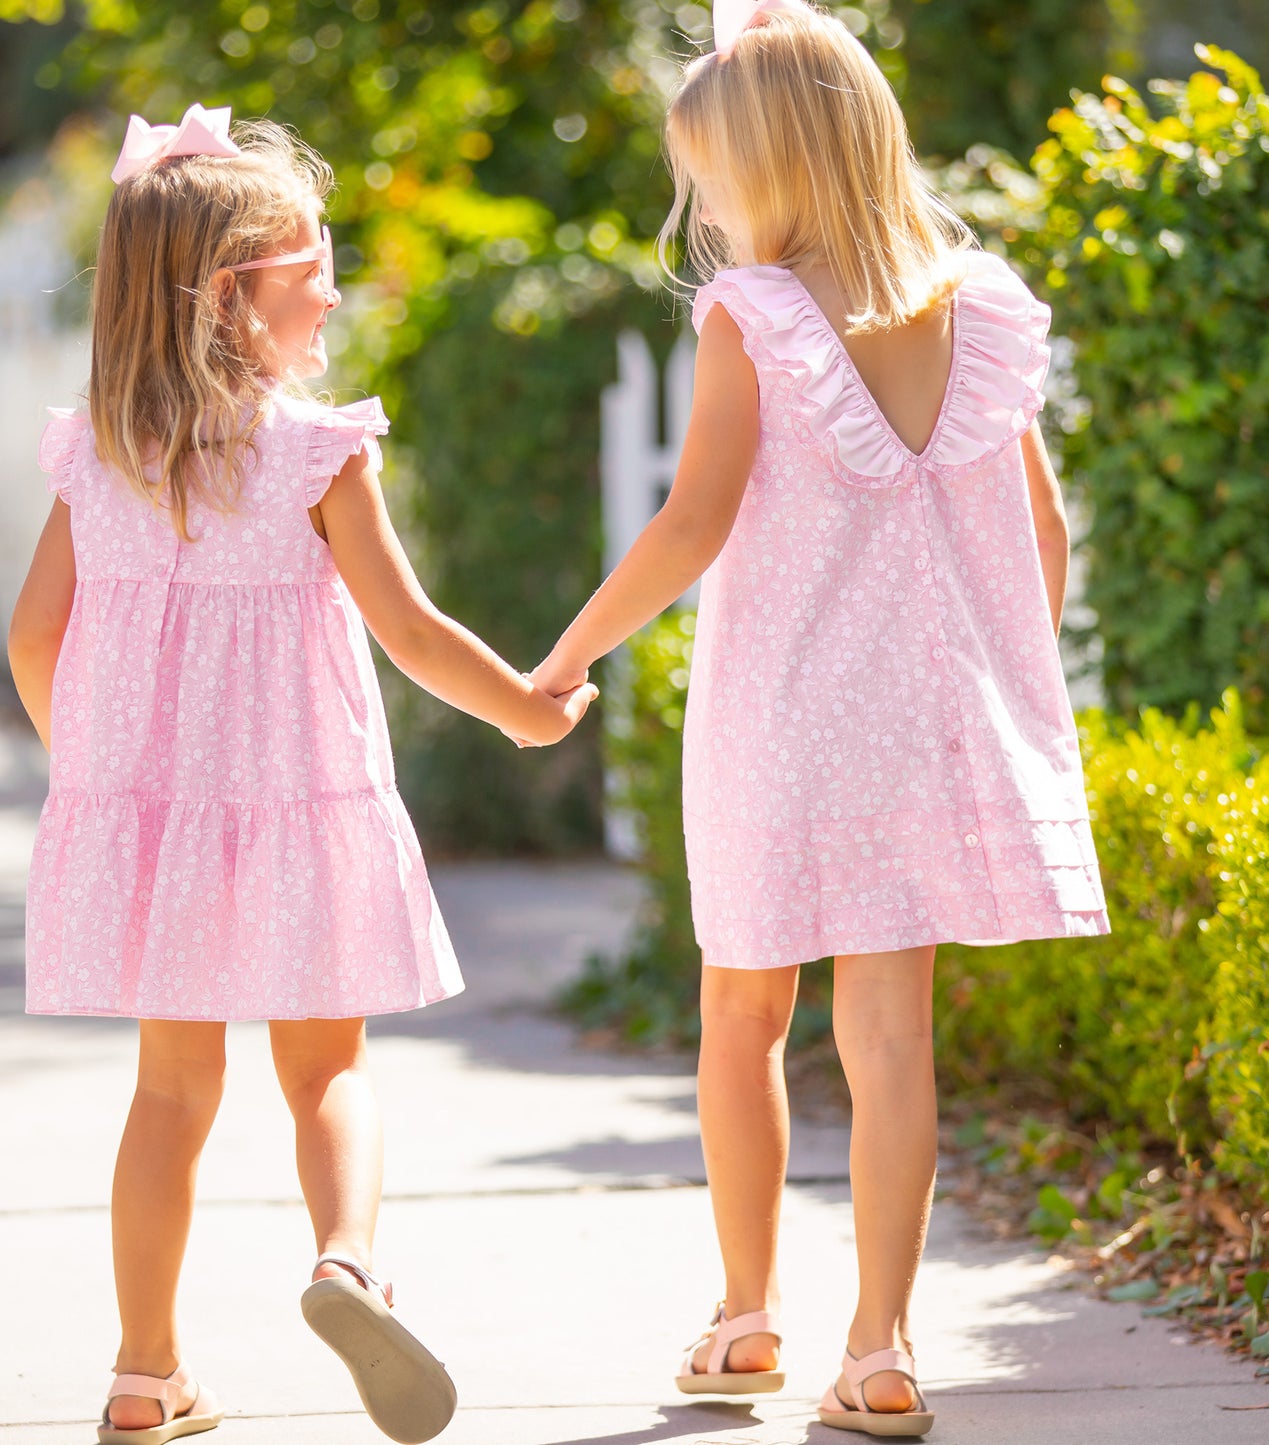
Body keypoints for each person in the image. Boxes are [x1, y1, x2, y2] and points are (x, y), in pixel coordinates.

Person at [527, 2, 1109, 1433]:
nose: (705, 212)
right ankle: (882, 1345)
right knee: (891, 1039)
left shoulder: (754, 316)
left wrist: (560, 662)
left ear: (768, 172)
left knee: (741, 1012)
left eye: (712, 182)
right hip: (928, 725)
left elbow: (686, 529)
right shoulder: (979, 303)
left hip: (780, 720)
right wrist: (1005, 692)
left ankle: (743, 1319)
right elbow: (1040, 533)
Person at [7, 104, 597, 1445]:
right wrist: (526, 710)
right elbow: (408, 628)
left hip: (150, 826)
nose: (333, 286)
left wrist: (100, 778)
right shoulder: (315, 449)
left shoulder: (97, 451)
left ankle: (143, 1370)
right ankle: (345, 1261)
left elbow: (34, 636)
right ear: (233, 294)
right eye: (311, 264)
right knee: (328, 1065)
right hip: (300, 811)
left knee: (168, 1091)